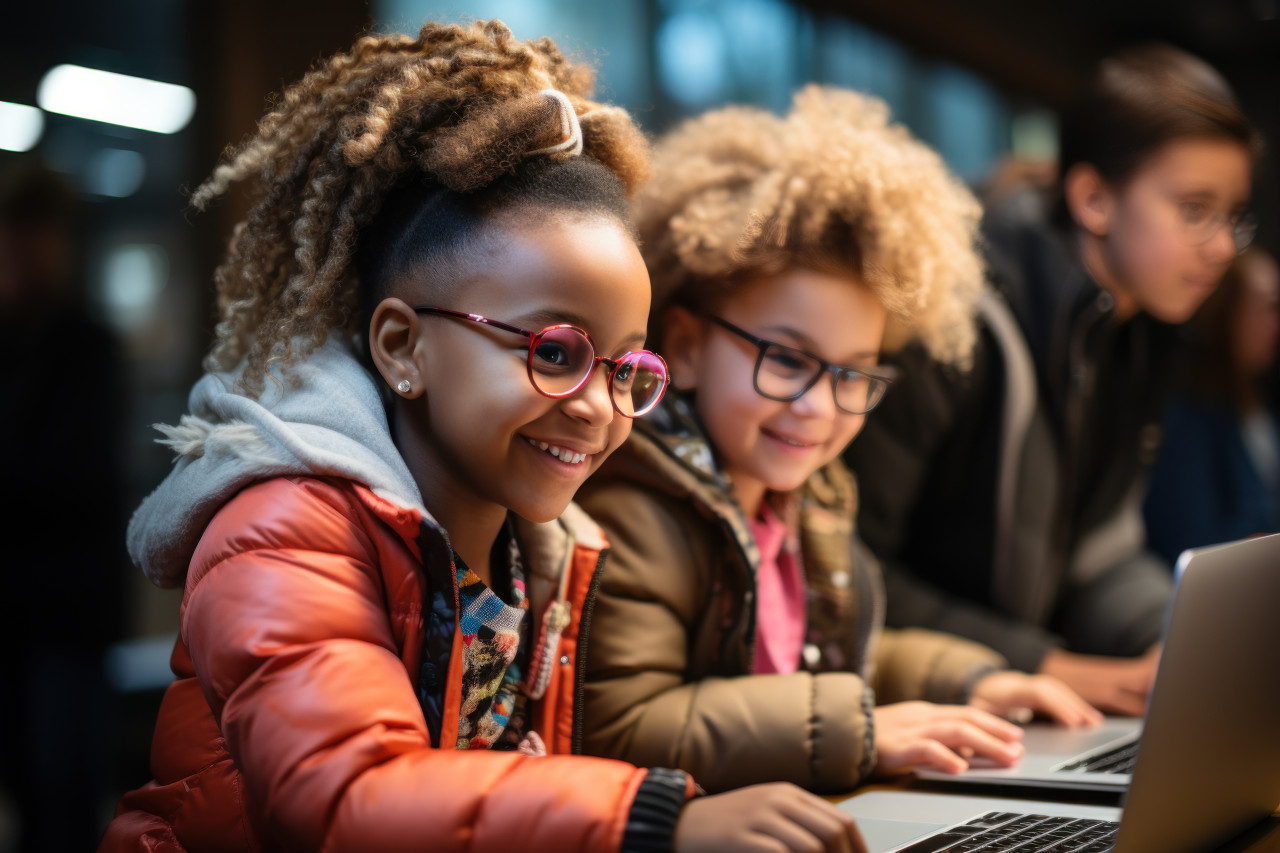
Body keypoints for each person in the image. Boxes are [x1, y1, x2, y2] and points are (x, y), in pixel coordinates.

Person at [99, 21, 867, 853]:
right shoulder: (283, 533)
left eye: (624, 369)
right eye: (554, 351)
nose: (599, 407)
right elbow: (348, 797)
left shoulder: (538, 549)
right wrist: (654, 816)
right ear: (404, 346)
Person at [575, 86, 1101, 796]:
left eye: (853, 372)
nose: (820, 406)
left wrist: (972, 678)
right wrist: (863, 730)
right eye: (788, 359)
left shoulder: (810, 500)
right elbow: (623, 724)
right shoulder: (637, 503)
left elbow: (831, 661)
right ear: (686, 346)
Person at [843, 43, 1260, 715]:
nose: (1221, 246)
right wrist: (1048, 664)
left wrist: (1175, 641)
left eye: (1232, 215)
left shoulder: (1144, 329)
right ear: (1094, 199)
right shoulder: (952, 324)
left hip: (1018, 698)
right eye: (1194, 209)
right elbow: (849, 566)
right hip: (928, 709)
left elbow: (1097, 556)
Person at [1, 161, 129, 853]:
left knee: (67, 794)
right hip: (15, 612)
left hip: (68, 614)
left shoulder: (88, 347)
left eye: (32, 236)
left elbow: (70, 476)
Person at [1144, 246, 1280, 563]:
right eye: (1268, 307)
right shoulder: (1185, 418)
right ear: (1226, 313)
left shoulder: (1259, 401)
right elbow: (1194, 544)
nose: (1277, 325)